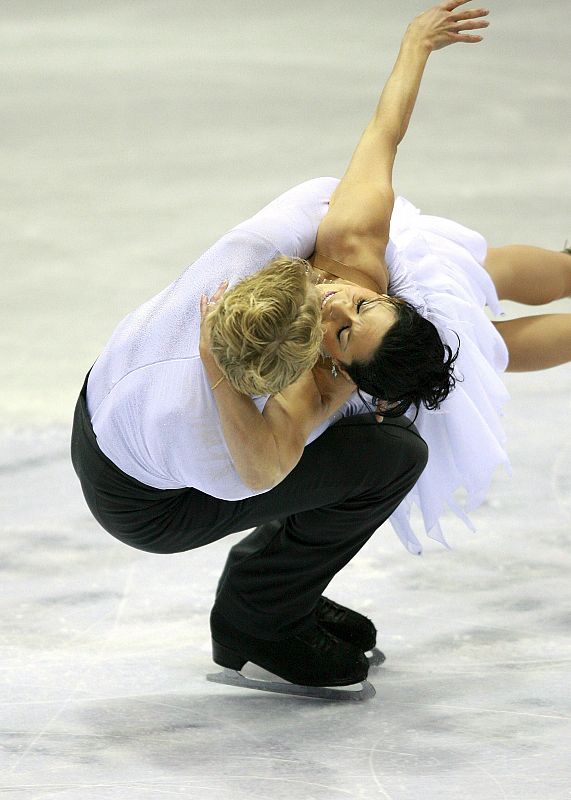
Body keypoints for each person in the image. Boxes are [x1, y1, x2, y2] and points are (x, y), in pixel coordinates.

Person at [71, 1, 569, 699]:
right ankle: (259, 618)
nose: (335, 300)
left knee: (465, 306)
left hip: (127, 393)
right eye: (349, 311)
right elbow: (263, 466)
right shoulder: (262, 393)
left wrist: (414, 46)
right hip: (144, 497)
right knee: (390, 453)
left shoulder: (321, 300)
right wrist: (217, 374)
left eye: (350, 317)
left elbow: (382, 138)